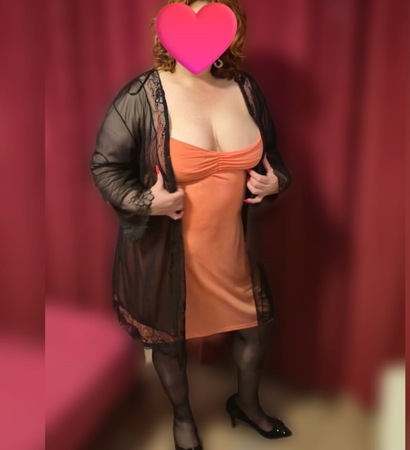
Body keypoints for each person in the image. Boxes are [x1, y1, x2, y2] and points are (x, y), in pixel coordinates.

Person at [89, 1, 292, 449]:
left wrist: (275, 181)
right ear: (168, 31)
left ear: (230, 33)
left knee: (256, 333)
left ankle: (247, 404)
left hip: (232, 250)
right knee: (170, 343)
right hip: (168, 253)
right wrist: (147, 202)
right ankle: (183, 420)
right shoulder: (143, 96)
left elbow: (273, 158)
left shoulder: (246, 90)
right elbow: (105, 166)